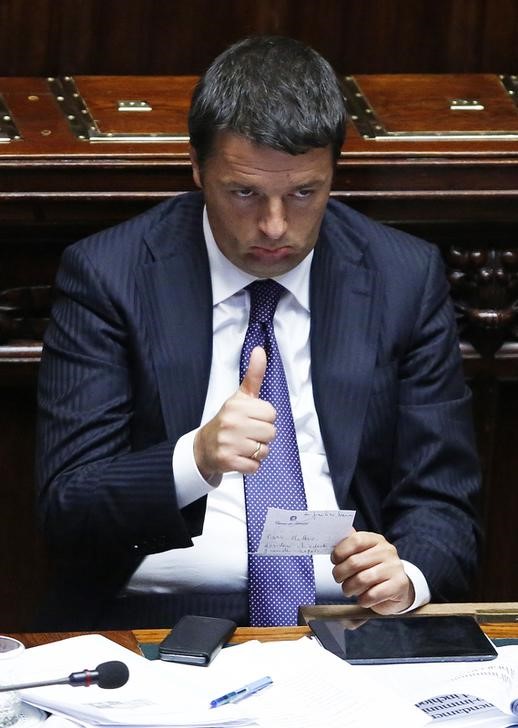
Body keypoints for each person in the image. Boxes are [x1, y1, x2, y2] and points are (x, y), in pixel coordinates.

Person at [35, 35, 481, 630]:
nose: (275, 226)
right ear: (197, 169)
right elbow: (68, 506)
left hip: (348, 612)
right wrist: (195, 457)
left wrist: (408, 578)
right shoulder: (110, 276)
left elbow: (444, 498)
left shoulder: (402, 276)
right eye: (244, 193)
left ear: (334, 173)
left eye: (304, 193)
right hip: (160, 616)